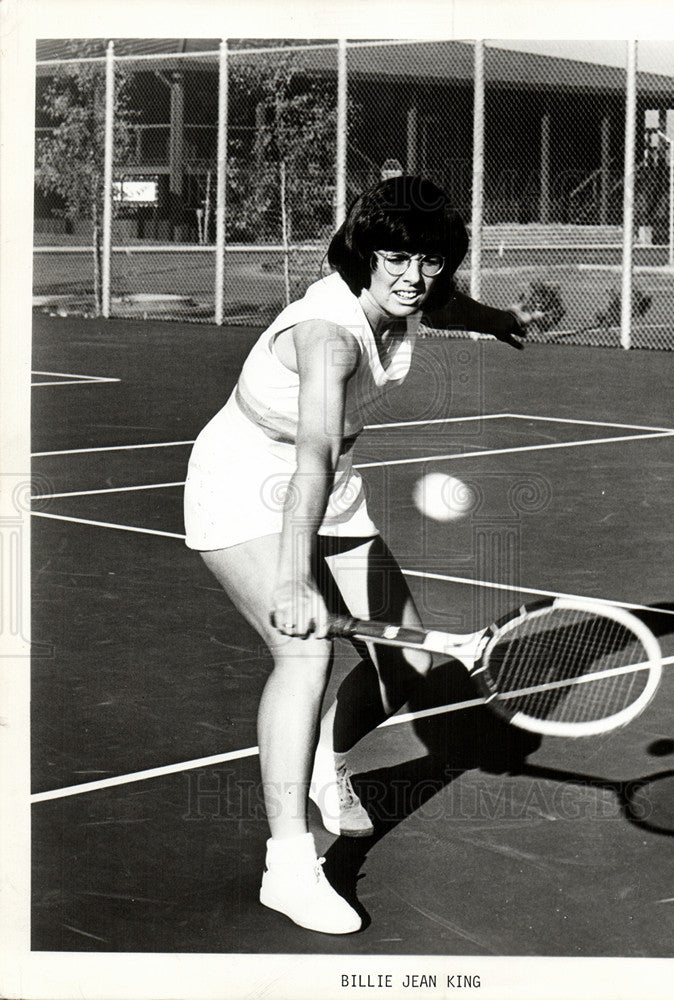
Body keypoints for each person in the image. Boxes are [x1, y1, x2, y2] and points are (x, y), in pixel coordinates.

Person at [184, 175, 532, 935]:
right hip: (248, 481)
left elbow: (444, 303)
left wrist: (498, 317)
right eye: (398, 257)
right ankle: (290, 866)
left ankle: (324, 759)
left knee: (404, 665)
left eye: (432, 259)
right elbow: (311, 447)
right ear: (365, 253)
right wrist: (292, 578)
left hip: (330, 485)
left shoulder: (413, 294)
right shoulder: (329, 336)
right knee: (304, 655)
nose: (414, 275)